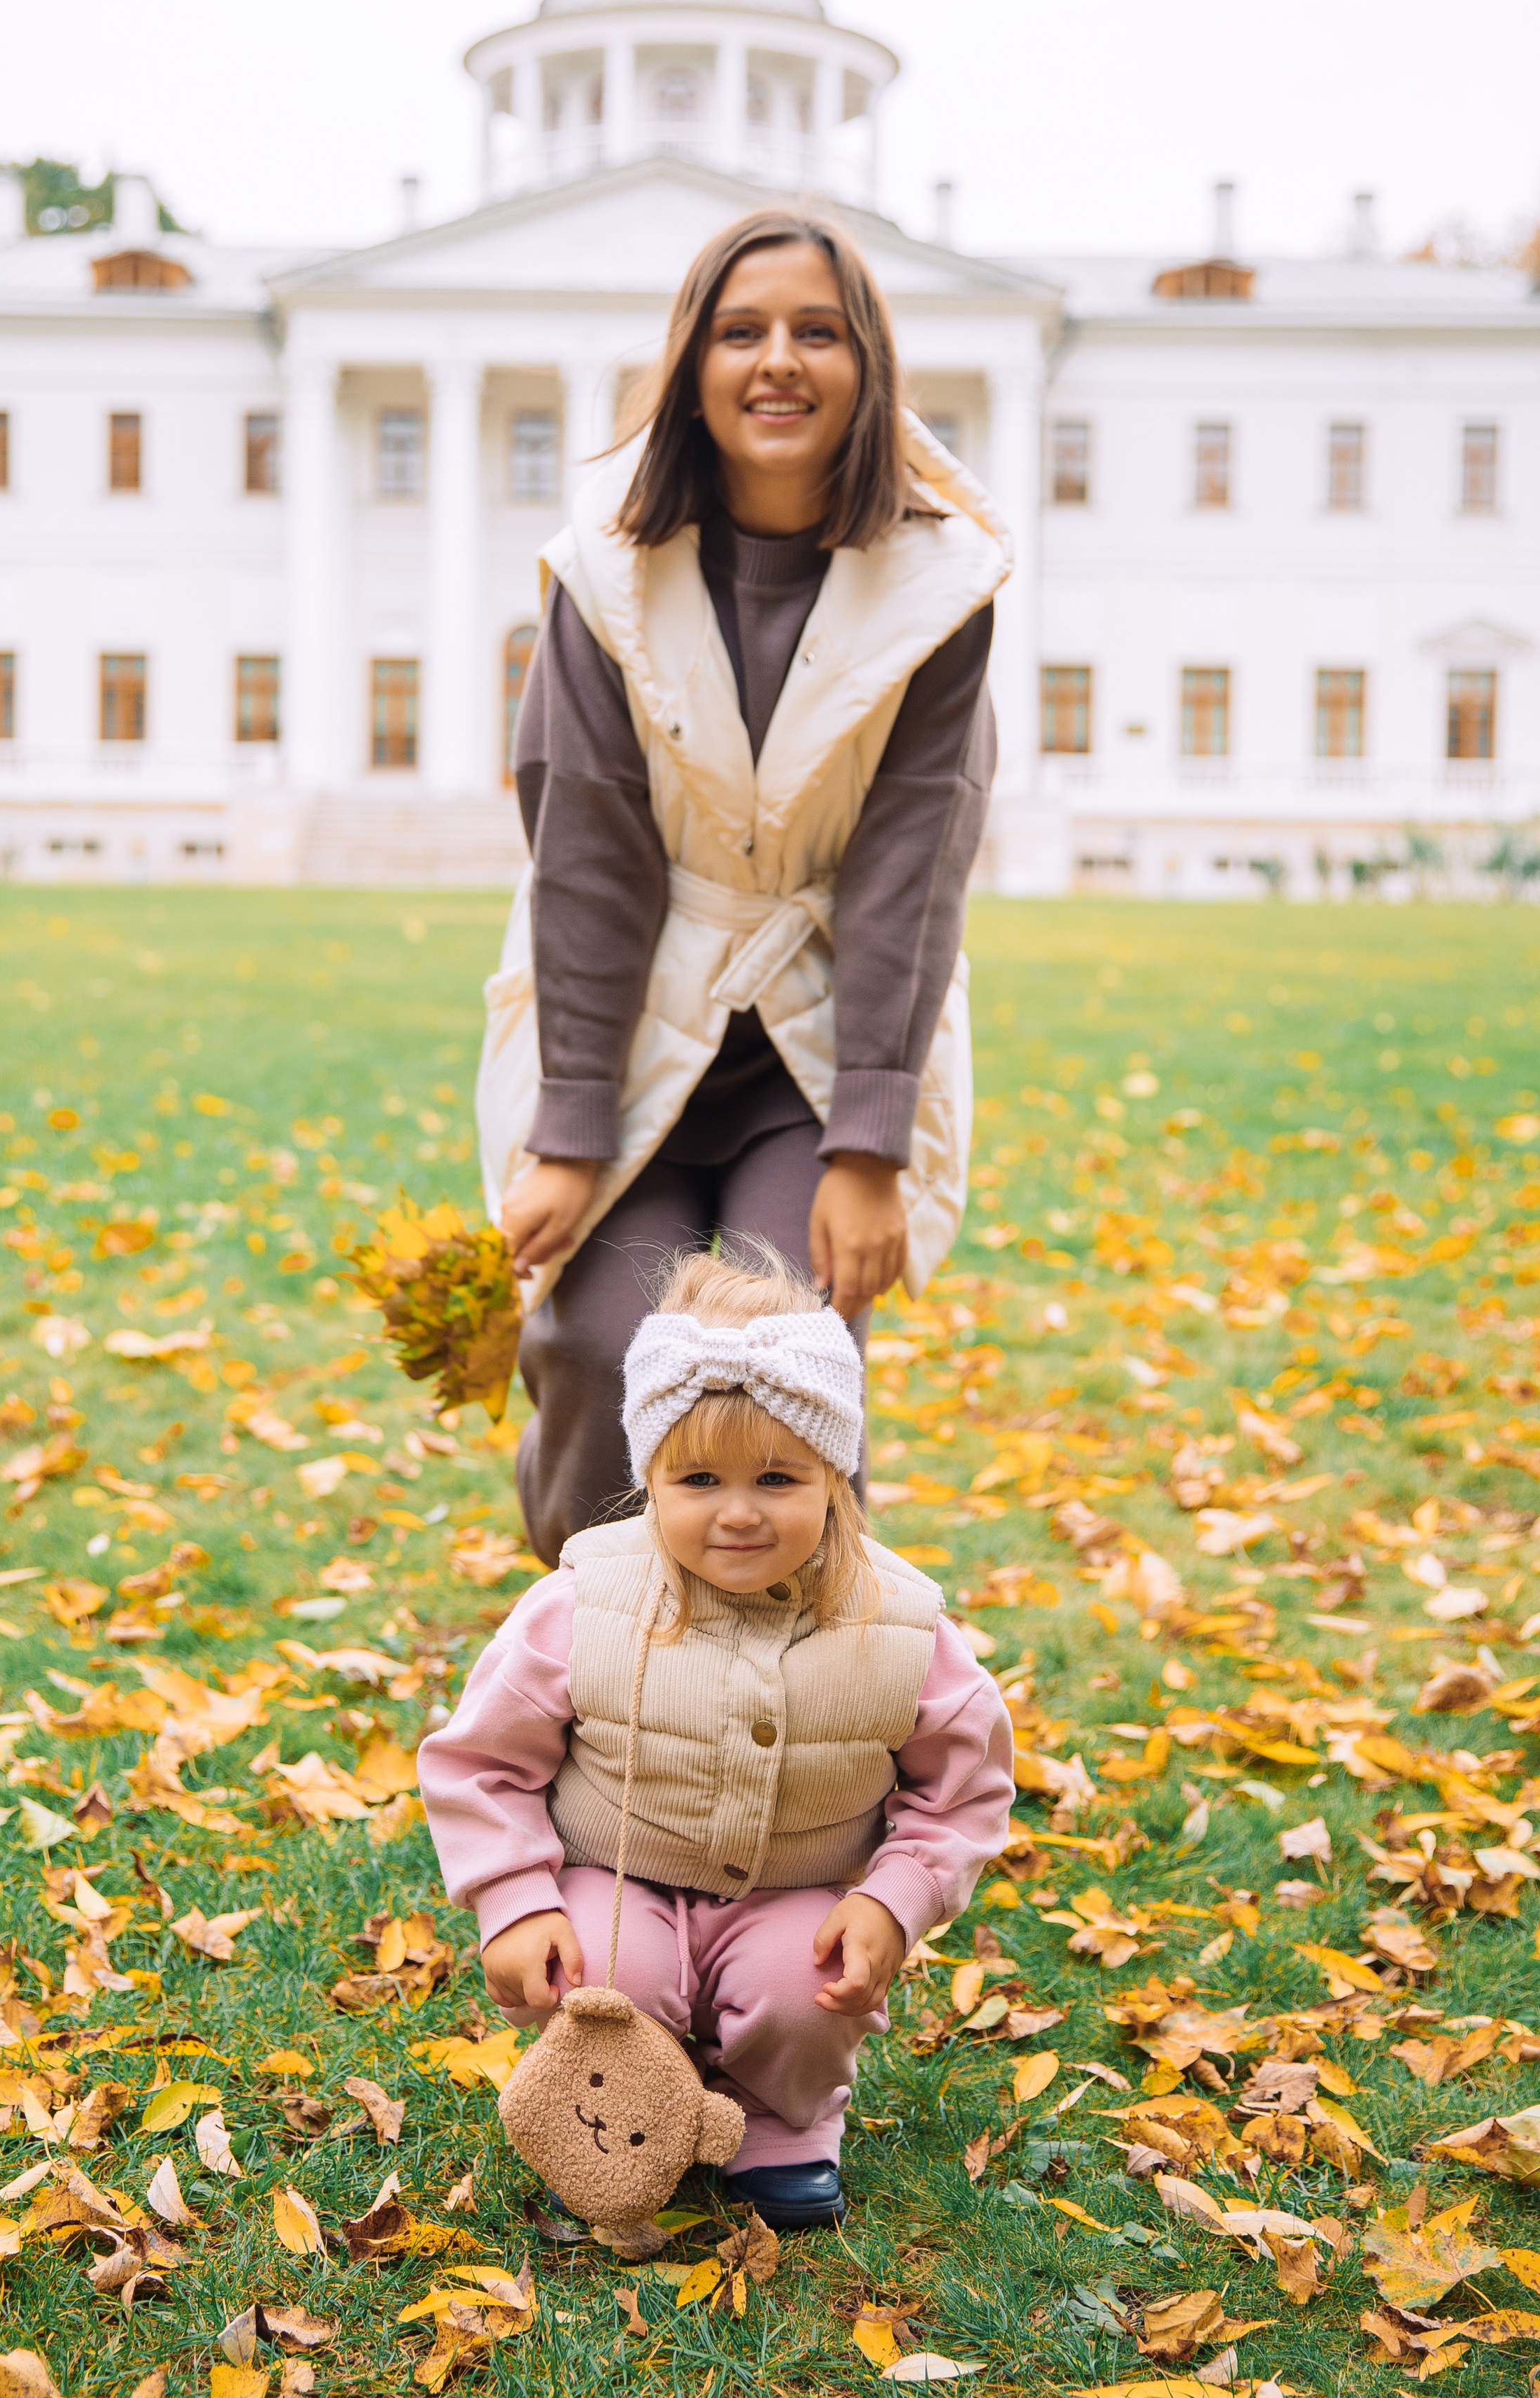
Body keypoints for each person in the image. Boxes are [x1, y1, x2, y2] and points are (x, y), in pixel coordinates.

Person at [476, 206, 1010, 1569]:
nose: (778, 362)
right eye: (740, 332)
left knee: (786, 1351)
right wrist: (572, 1124)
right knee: (602, 1343)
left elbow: (912, 863)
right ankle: (591, 1658)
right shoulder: (605, 578)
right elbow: (584, 858)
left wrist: (868, 1144)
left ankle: (805, 1680)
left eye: (815, 332)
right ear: (692, 366)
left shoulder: (937, 585)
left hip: (822, 1041)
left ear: (864, 365)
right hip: (635, 1015)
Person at [417, 1248, 1015, 2229]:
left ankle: (780, 2119)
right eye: (700, 1479)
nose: (738, 1513)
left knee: (803, 1992)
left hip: (796, 1893)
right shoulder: (583, 1602)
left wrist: (893, 1900)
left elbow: (963, 1789)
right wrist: (515, 1900)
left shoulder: (902, 1624)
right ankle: (618, 2110)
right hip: (618, 1881)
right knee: (610, 1983)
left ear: (834, 1475)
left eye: (778, 1478)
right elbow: (482, 1762)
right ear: (650, 1474)